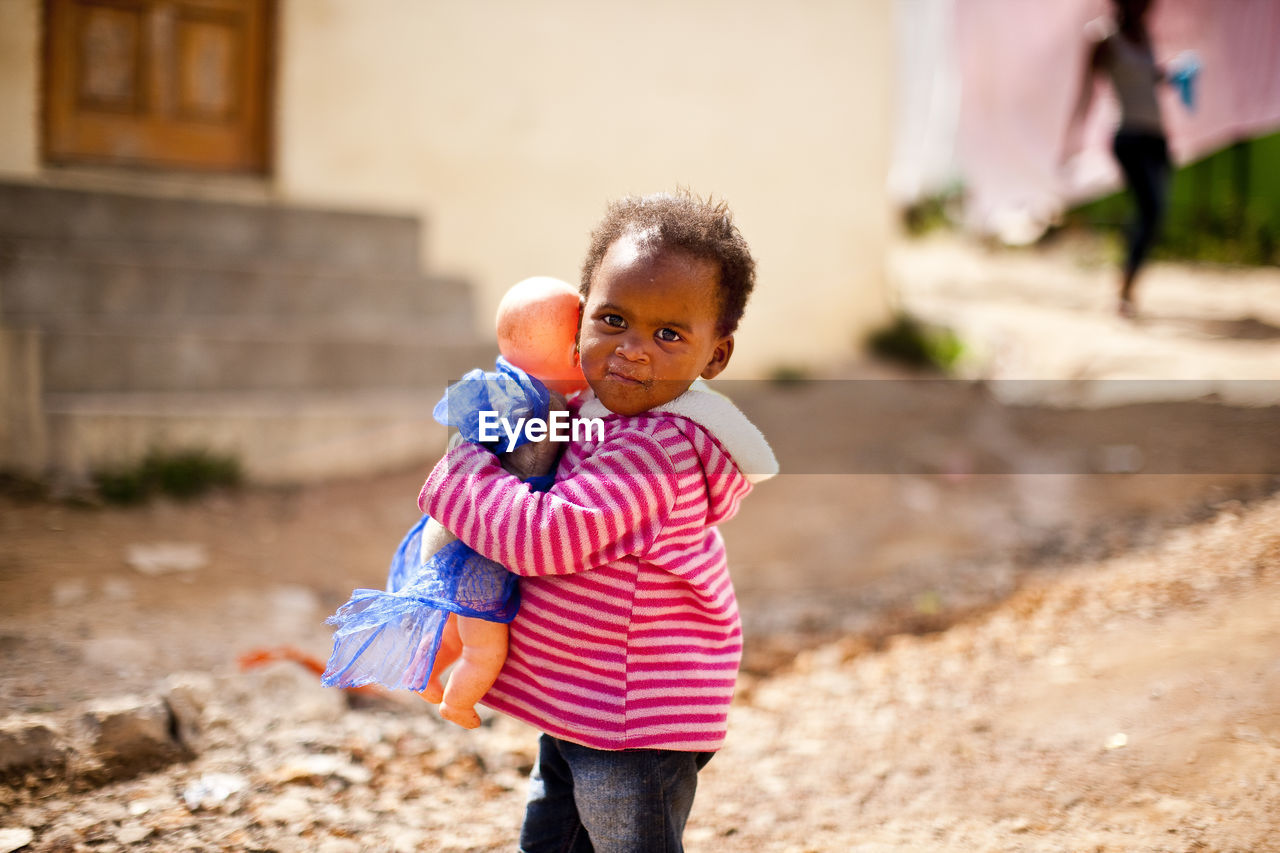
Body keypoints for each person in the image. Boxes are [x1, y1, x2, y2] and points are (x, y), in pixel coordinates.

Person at [417, 191, 778, 851]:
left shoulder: (659, 444)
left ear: (715, 357)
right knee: (552, 840)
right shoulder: (594, 411)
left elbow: (545, 536)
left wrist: (458, 475)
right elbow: (526, 447)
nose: (632, 350)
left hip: (632, 718)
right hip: (581, 705)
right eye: (613, 319)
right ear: (580, 319)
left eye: (669, 334)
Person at [1066, 0, 1176, 318]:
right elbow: (1086, 91)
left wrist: (1173, 75)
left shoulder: (1145, 36)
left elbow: (1149, 80)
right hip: (1130, 138)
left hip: (1157, 139)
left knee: (1152, 213)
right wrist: (1072, 138)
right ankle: (1125, 289)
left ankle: (1127, 284)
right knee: (1151, 209)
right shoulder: (1105, 41)